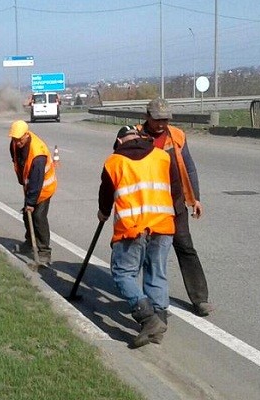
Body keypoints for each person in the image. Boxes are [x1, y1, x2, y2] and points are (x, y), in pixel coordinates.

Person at [98, 126, 181, 348]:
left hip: (132, 228)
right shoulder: (162, 156)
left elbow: (106, 195)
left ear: (118, 141)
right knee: (157, 273)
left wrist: (103, 212)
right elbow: (176, 190)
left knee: (123, 273)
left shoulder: (114, 162)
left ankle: (147, 318)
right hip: (163, 224)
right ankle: (159, 321)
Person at [136, 98, 214, 317]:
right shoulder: (134, 136)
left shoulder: (177, 135)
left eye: (165, 119)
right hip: (149, 206)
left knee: (185, 247)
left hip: (175, 202)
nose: (161, 124)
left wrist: (195, 199)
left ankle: (200, 299)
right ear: (147, 116)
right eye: (157, 119)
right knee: (151, 253)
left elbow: (188, 167)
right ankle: (156, 302)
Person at [9, 120, 57, 266]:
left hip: (43, 188)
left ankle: (44, 253)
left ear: (26, 135)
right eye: (14, 139)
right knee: (26, 215)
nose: (17, 143)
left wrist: (30, 202)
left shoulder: (38, 154)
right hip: (30, 186)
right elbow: (16, 159)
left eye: (19, 140)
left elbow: (37, 181)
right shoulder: (15, 143)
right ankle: (30, 243)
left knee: (38, 217)